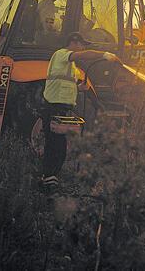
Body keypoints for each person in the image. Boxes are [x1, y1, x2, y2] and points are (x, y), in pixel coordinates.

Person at [41, 31, 120, 190]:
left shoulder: (70, 67)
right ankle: (49, 178)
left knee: (58, 144)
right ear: (74, 42)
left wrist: (79, 88)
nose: (83, 48)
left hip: (61, 107)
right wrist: (104, 54)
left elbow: (64, 84)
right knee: (56, 145)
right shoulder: (61, 55)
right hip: (54, 106)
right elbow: (85, 55)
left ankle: (50, 176)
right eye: (82, 44)